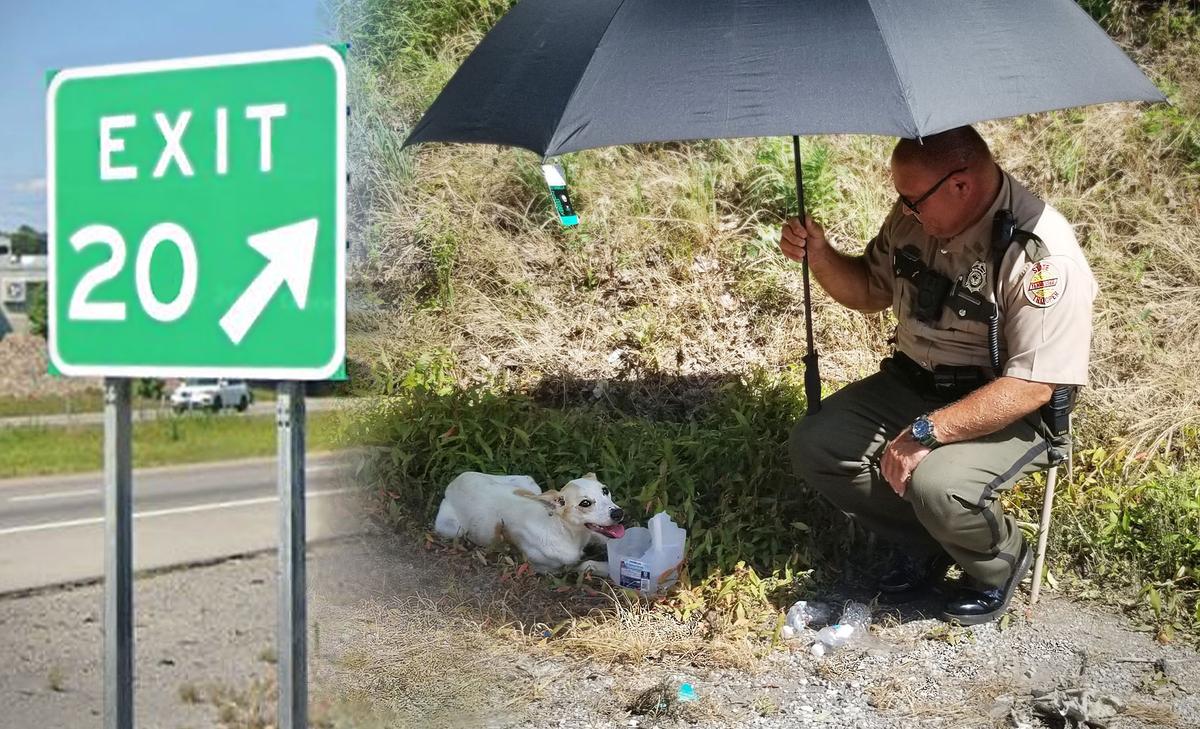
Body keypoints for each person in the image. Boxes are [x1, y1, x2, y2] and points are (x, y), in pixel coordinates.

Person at [779, 126, 1097, 625]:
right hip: (912, 383)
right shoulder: (918, 217)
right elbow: (869, 291)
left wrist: (926, 433)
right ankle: (929, 541)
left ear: (960, 185)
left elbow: (1036, 383)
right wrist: (819, 256)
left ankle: (999, 562)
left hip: (1005, 405)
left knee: (937, 483)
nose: (905, 210)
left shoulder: (1041, 254)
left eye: (912, 200)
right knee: (817, 443)